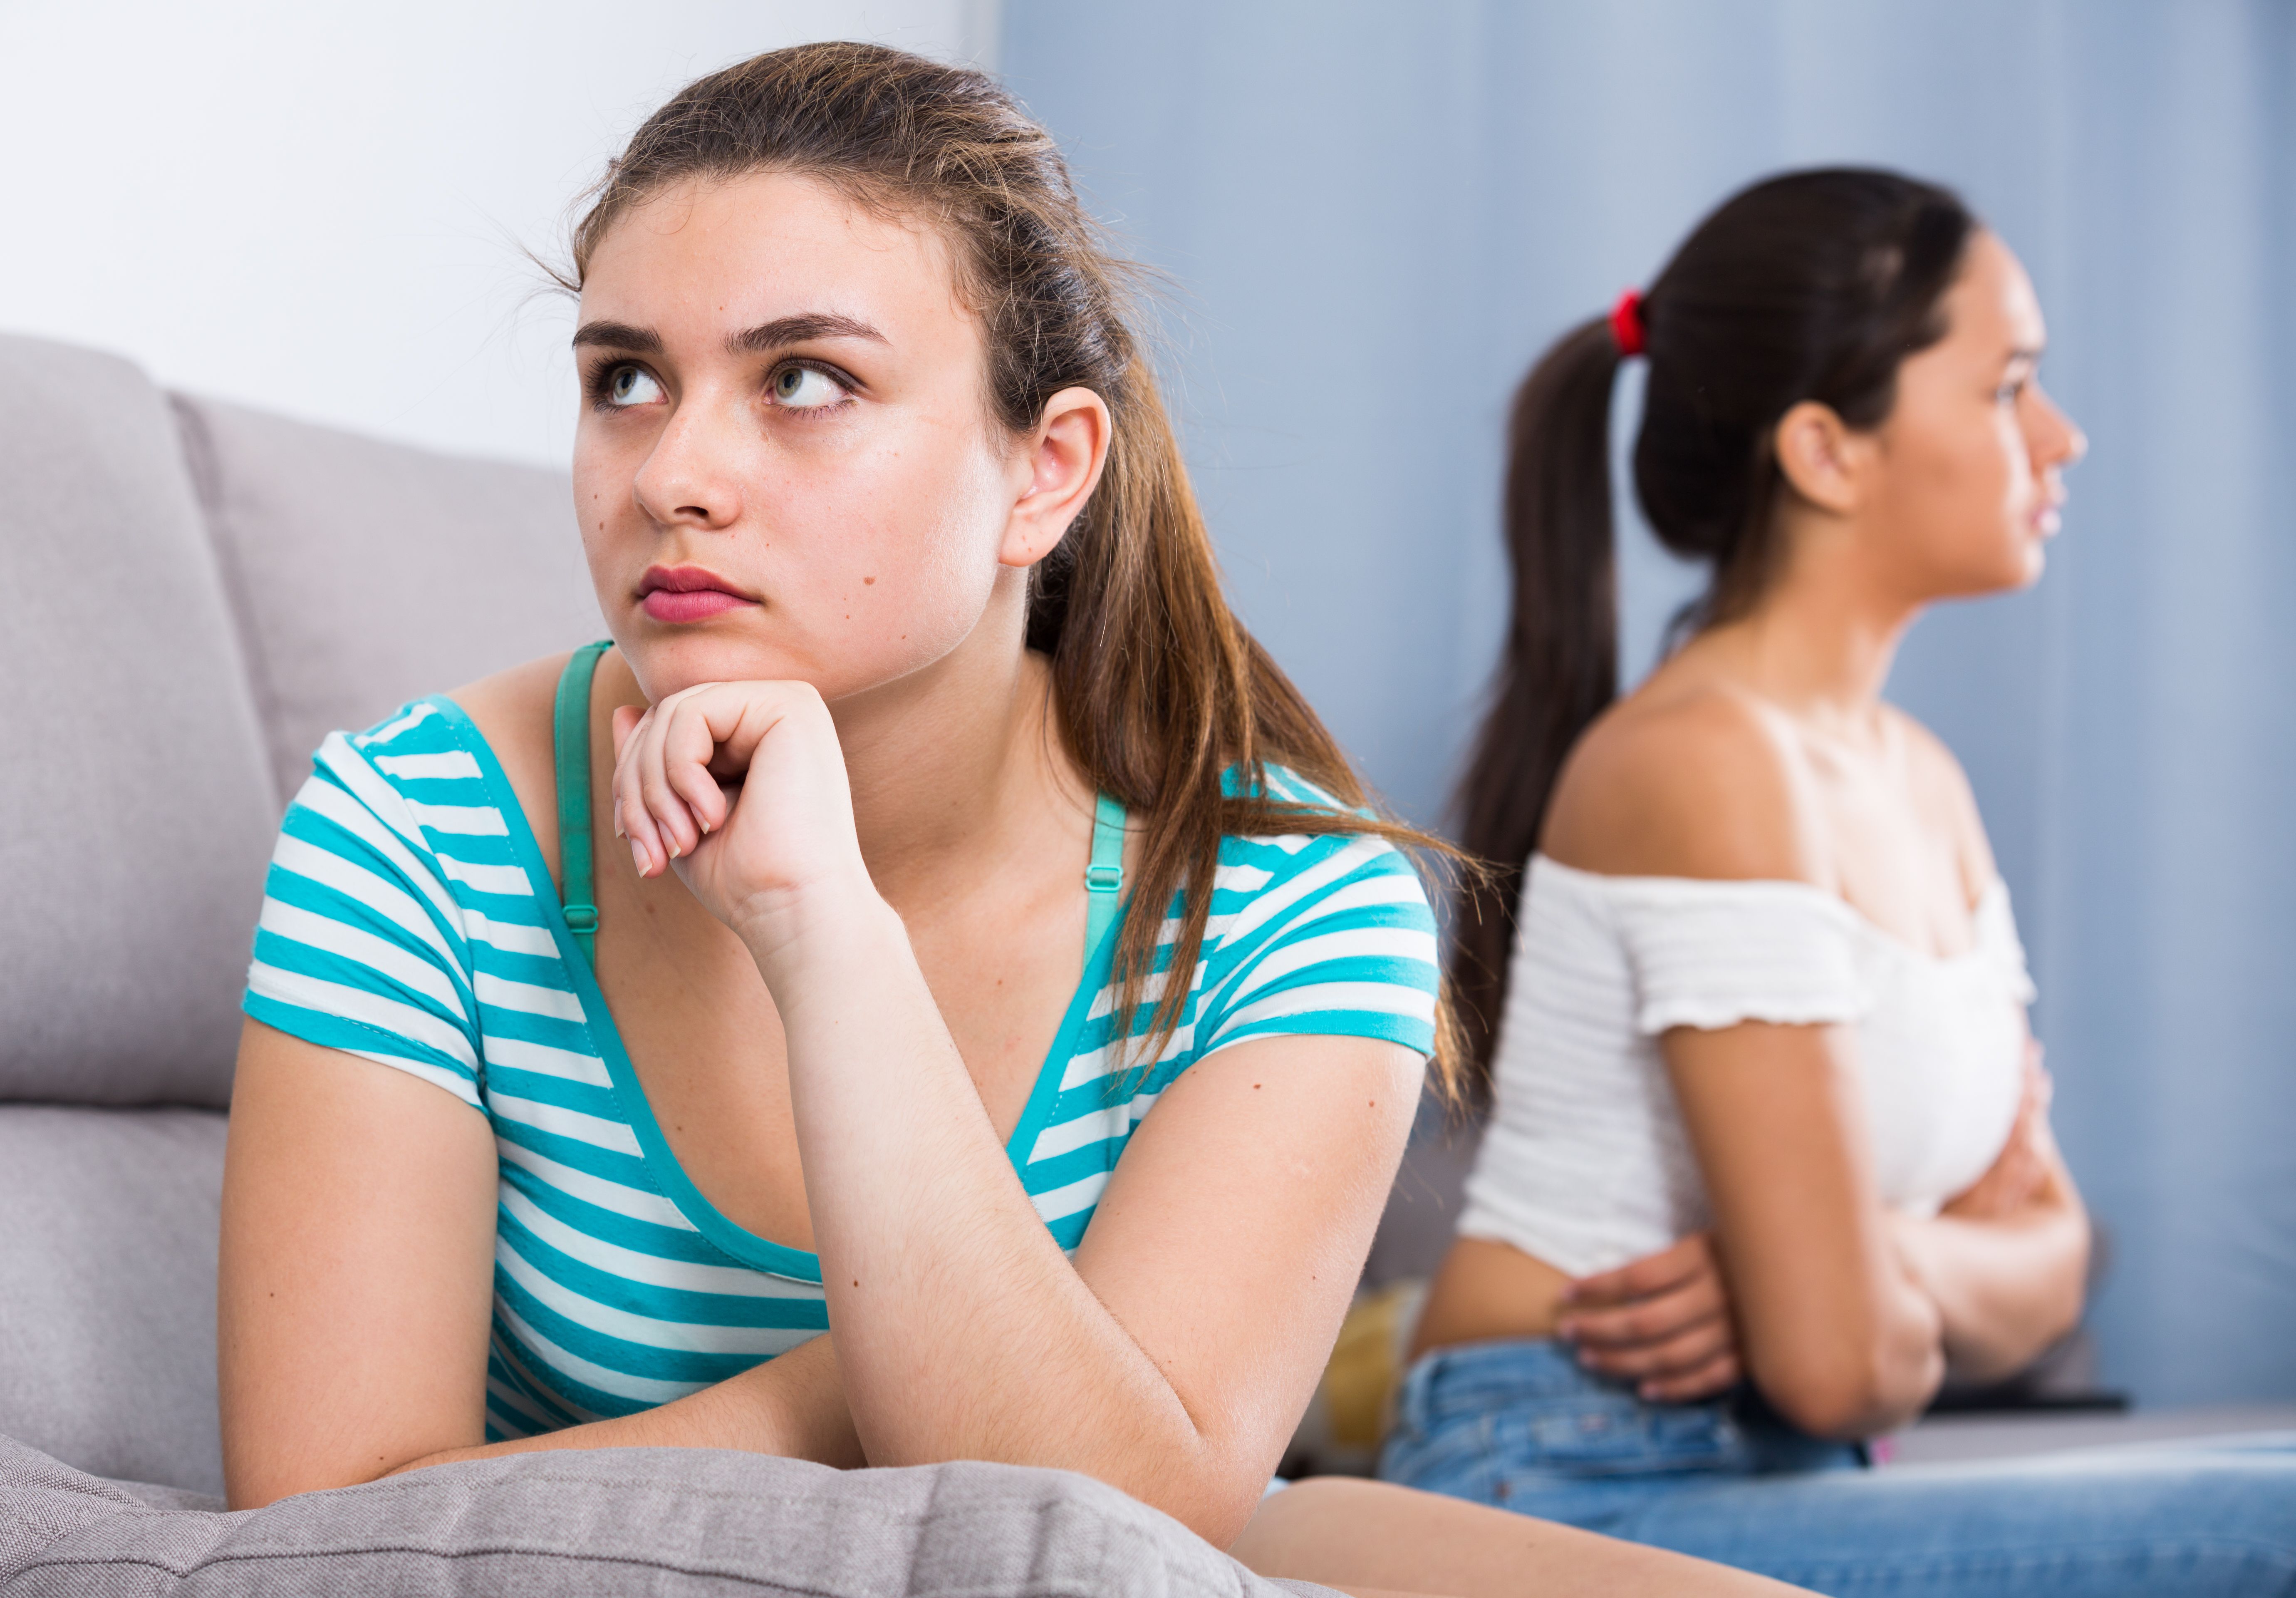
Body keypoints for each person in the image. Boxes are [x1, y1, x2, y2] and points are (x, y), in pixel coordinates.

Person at [214, 42, 1802, 1598]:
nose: (674, 474)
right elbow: (315, 1543)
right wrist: (845, 1391)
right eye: (625, 380)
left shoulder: (1297, 901)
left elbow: (1120, 1540)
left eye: (806, 382)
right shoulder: (416, 833)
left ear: (1046, 475)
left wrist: (823, 934)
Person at [1381, 167, 2296, 1594]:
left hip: (1766, 1480)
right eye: (2008, 388)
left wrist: (1882, 1262)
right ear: (1826, 450)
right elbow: (1842, 1367)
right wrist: (1901, 1280)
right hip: (1561, 1482)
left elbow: (2055, 1261)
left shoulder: (1919, 781)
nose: (2063, 437)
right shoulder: (1707, 764)